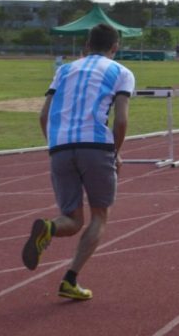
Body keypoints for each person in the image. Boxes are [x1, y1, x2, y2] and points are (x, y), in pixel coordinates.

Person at [22, 23, 135, 300]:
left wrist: (54, 145)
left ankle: (49, 228)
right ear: (115, 47)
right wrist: (115, 151)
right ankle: (70, 278)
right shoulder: (121, 72)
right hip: (95, 146)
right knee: (99, 216)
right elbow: (121, 119)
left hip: (59, 146)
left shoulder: (64, 70)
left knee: (71, 219)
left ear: (87, 44)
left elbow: (43, 115)